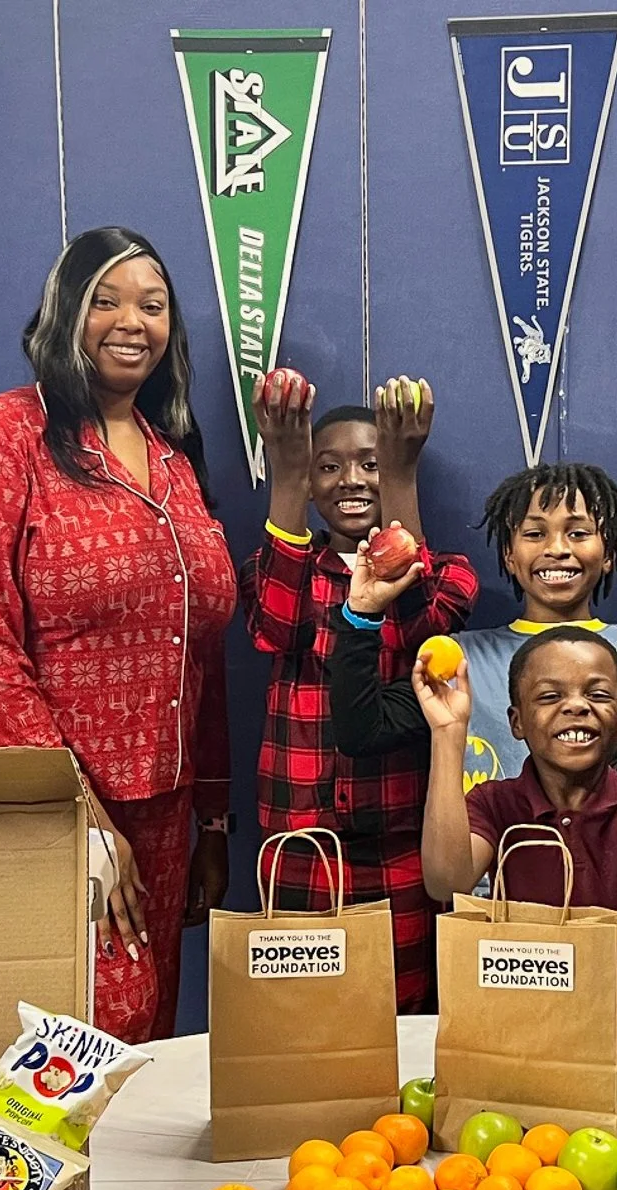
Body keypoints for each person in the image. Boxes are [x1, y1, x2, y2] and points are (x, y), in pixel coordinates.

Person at [0, 226, 237, 1042]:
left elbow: (198, 653)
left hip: (167, 817)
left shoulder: (173, 460)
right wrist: (81, 819)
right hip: (60, 810)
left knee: (150, 1040)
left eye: (153, 304)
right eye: (106, 299)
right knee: (82, 1048)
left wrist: (212, 821)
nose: (131, 321)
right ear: (64, 311)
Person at [245, 373, 478, 1011]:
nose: (352, 480)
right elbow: (273, 628)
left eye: (372, 464)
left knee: (401, 1014)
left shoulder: (448, 573)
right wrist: (286, 477)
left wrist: (403, 474)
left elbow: (418, 631)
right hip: (299, 840)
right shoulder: (285, 569)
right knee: (300, 1018)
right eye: (329, 467)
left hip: (397, 842)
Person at [330, 462, 617, 789]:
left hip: (609, 890)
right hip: (483, 891)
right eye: (534, 533)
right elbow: (362, 734)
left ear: (608, 555)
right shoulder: (458, 658)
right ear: (509, 555)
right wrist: (362, 614)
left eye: (579, 532)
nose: (558, 549)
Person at [414, 627, 617, 1027]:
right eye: (550, 696)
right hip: (525, 1032)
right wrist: (448, 733)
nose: (577, 706)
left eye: (598, 694)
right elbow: (445, 882)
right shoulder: (495, 803)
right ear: (517, 722)